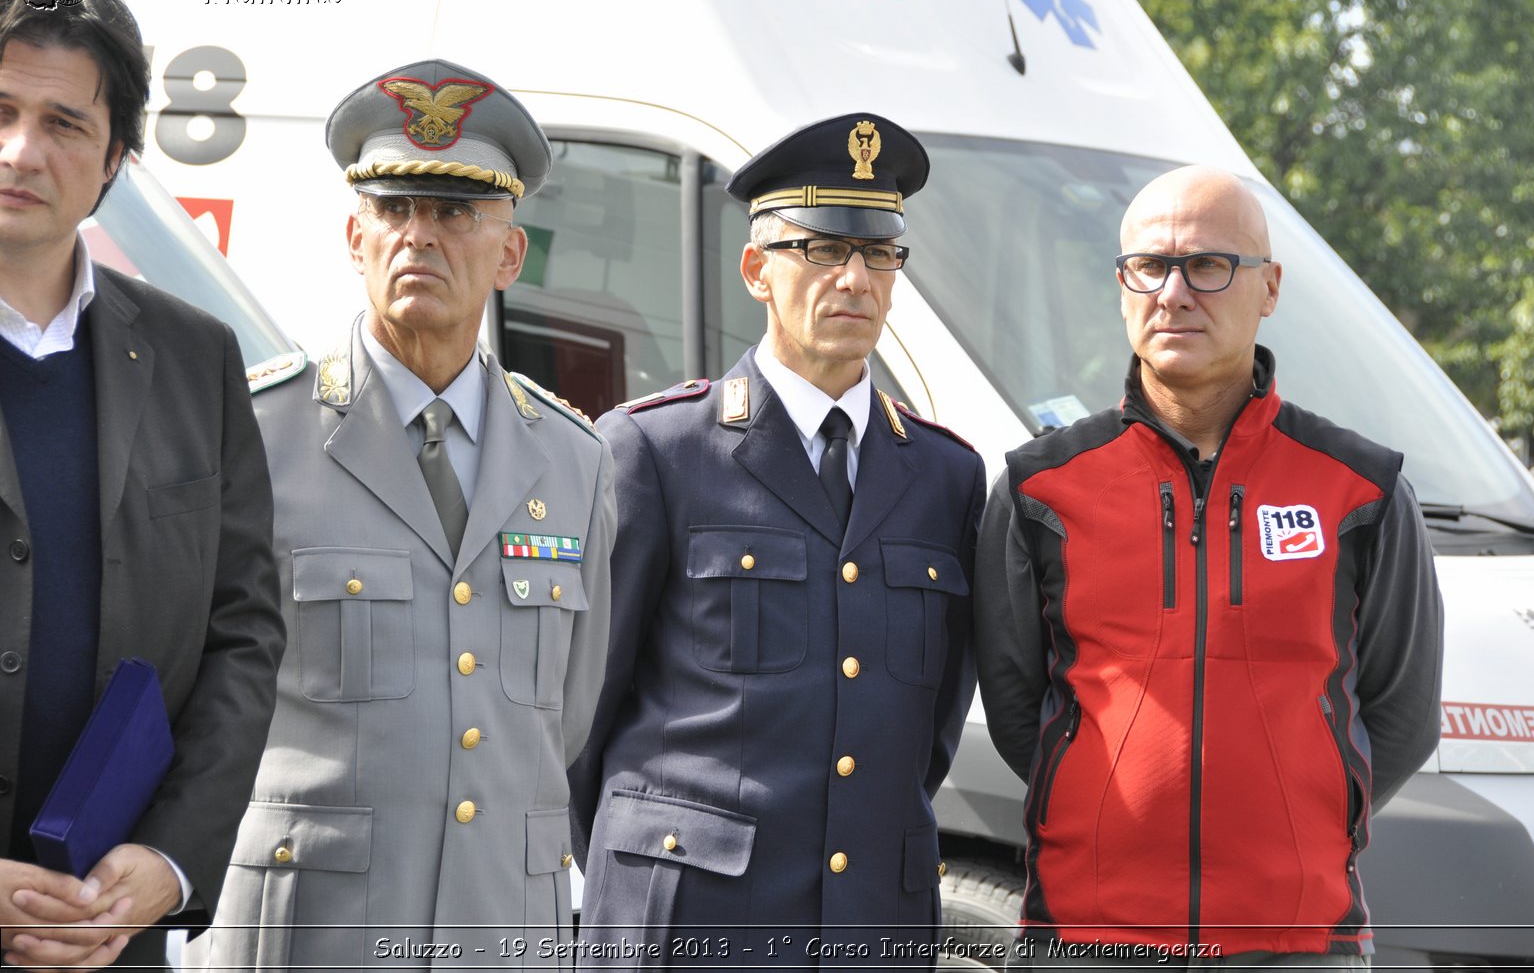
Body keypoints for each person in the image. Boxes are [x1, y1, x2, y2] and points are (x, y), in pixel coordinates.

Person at [194, 59, 615, 969]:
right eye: (394, 210)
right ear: (355, 236)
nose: (419, 235)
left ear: (511, 254)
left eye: (455, 212)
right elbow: (194, 697)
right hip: (314, 931)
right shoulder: (259, 432)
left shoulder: (576, 462)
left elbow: (568, 714)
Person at [974, 166, 1444, 968]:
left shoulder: (1360, 488)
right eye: (1150, 266)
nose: (1175, 291)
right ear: (1122, 286)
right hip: (1087, 941)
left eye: (1209, 265)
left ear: (1269, 289)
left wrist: (1301, 818)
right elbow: (1023, 712)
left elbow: (1401, 716)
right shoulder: (1039, 488)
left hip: (1298, 944)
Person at [569, 113, 985, 968]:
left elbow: (929, 727)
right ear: (757, 268)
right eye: (824, 250)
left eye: (879, 254)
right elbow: (582, 710)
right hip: (691, 925)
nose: (855, 279)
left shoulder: (945, 478)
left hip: (873, 922)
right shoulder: (655, 449)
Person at [0, 0, 284, 970]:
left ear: (115, 156)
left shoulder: (194, 358)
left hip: (106, 937)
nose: (21, 150)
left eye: (65, 124)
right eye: (0, 108)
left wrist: (169, 856)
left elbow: (244, 629)